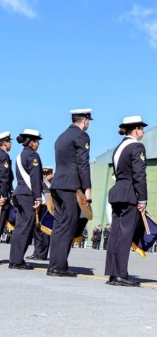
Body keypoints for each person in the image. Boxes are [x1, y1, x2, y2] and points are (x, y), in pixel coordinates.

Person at [48, 109, 93, 278]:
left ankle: (55, 264)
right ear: (85, 120)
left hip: (58, 184)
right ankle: (59, 266)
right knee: (68, 225)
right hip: (70, 186)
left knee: (59, 226)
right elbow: (83, 163)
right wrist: (87, 189)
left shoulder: (61, 136)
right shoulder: (81, 136)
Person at [105, 115, 148, 287]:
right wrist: (142, 199)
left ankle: (113, 273)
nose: (143, 132)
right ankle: (121, 274)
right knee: (125, 236)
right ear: (136, 129)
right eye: (142, 129)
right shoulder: (137, 146)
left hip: (117, 192)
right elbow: (139, 174)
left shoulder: (119, 147)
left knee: (115, 234)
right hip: (129, 193)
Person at [9, 129, 43, 270]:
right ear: (33, 142)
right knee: (25, 228)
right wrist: (38, 198)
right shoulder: (33, 156)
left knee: (20, 227)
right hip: (28, 194)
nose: (38, 144)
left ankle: (14, 259)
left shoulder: (19, 155)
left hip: (19, 193)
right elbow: (35, 179)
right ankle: (17, 261)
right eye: (38, 142)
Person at [26, 166, 53, 260]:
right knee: (37, 232)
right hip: (40, 208)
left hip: (48, 210)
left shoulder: (53, 183)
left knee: (45, 233)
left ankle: (42, 254)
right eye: (43, 174)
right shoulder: (40, 183)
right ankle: (36, 252)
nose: (45, 176)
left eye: (47, 174)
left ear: (51, 174)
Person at [0, 132, 14, 239]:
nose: (11, 144)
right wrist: (4, 196)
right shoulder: (4, 156)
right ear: (5, 143)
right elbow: (4, 177)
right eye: (10, 142)